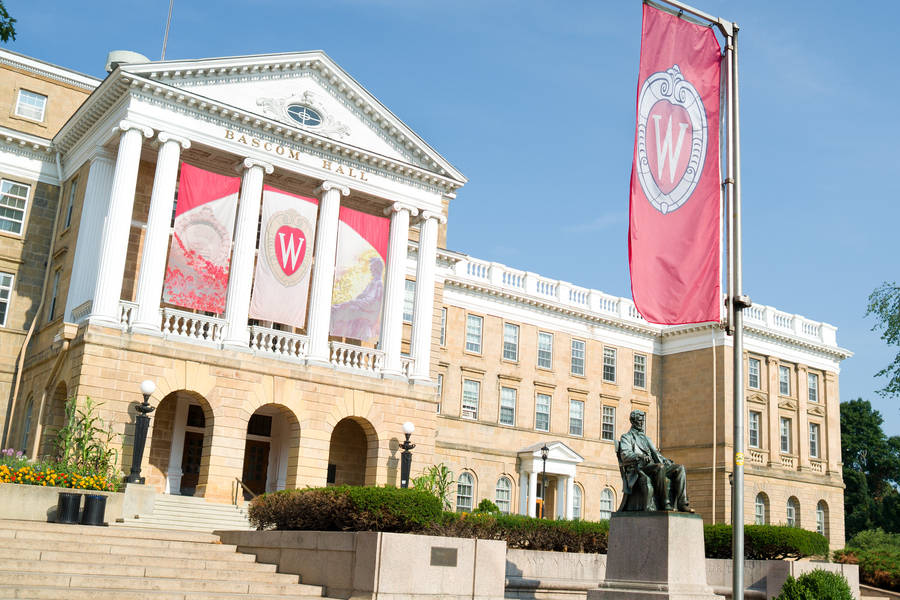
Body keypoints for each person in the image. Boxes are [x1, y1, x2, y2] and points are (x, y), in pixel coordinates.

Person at [617, 409, 693, 512]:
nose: (642, 423)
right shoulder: (627, 437)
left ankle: (682, 503)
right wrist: (640, 456)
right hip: (640, 468)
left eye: (642, 420)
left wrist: (666, 460)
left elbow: (656, 454)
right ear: (633, 421)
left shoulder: (646, 438)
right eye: (639, 420)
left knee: (680, 468)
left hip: (654, 466)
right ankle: (665, 503)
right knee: (659, 467)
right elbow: (625, 455)